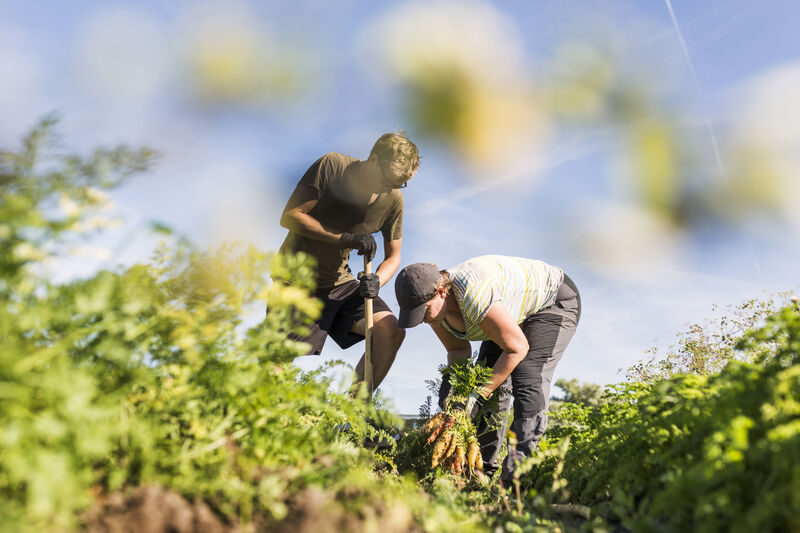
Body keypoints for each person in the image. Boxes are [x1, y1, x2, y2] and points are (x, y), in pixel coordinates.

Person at [394, 255, 581, 481]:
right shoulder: (436, 313)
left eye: (422, 311)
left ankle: (515, 481)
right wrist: (455, 398)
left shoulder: (473, 295)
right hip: (507, 312)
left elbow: (517, 348)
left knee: (528, 376)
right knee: (490, 387)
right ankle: (479, 475)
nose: (421, 319)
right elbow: (457, 351)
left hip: (553, 301)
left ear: (441, 292)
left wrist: (476, 395)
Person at [276, 132, 420, 391]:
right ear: (373, 159)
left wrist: (377, 280)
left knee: (390, 330)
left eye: (398, 185)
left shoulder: (393, 200)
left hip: (340, 282)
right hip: (296, 278)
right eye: (387, 180)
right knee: (278, 362)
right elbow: (291, 216)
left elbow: (393, 256)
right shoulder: (332, 167)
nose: (390, 189)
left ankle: (351, 414)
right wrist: (345, 239)